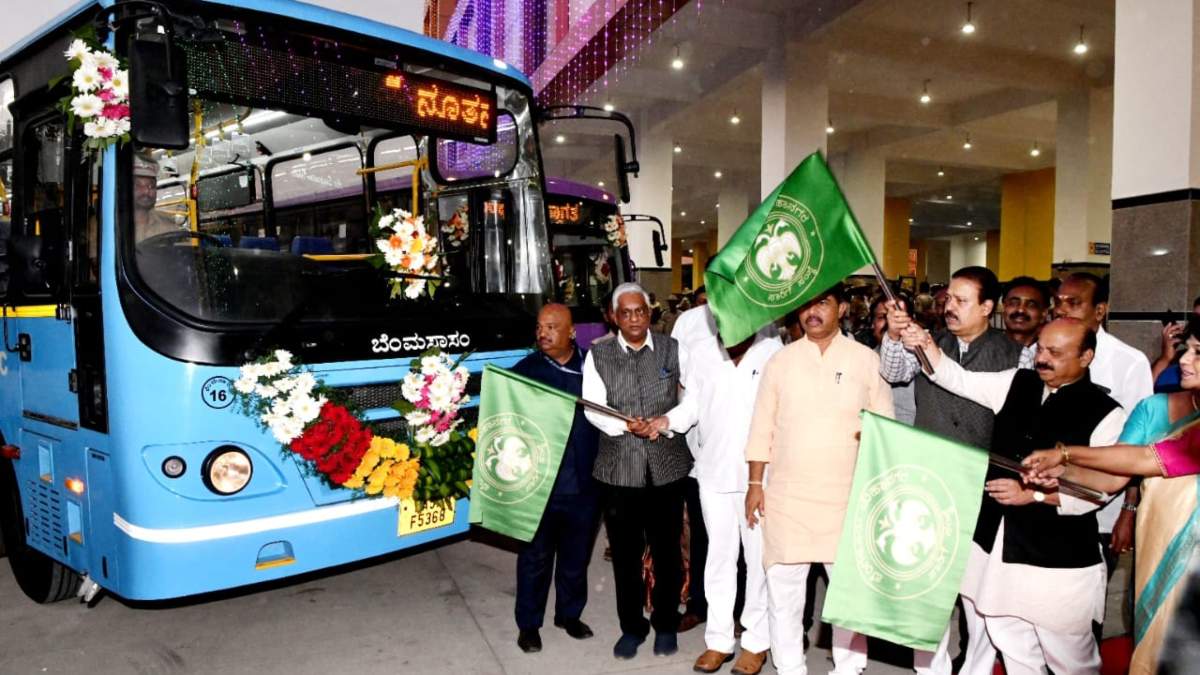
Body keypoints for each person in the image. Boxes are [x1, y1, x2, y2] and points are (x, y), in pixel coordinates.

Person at [902, 318, 1125, 674]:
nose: (1042, 358)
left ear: (1086, 356)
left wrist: (1033, 495)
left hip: (1057, 556)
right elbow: (957, 378)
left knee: (1068, 655)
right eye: (1040, 348)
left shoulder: (1108, 413)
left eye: (1055, 352)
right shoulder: (1017, 382)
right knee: (1009, 638)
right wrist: (924, 344)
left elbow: (1102, 487)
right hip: (996, 545)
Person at [1021, 316, 1200, 673]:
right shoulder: (1154, 409)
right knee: (1155, 645)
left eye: (1199, 352)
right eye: (1187, 349)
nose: (1184, 359)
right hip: (1158, 550)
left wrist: (1066, 453)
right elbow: (1110, 479)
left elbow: (1148, 458)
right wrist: (1053, 472)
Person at [744, 283, 894, 675]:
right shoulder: (782, 361)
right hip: (787, 497)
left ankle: (848, 668)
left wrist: (880, 493)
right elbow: (762, 426)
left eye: (822, 303)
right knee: (784, 594)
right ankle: (790, 667)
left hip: (847, 498)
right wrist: (755, 485)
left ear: (842, 309)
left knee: (847, 597)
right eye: (806, 305)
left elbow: (886, 430)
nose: (812, 312)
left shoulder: (866, 360)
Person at [881, 266, 1022, 675]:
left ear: (987, 307)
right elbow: (893, 372)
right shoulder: (928, 341)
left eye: (962, 301)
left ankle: (976, 668)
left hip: (984, 485)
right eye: (948, 300)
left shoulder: (1015, 353)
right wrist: (893, 334)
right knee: (927, 588)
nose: (949, 308)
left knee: (979, 593)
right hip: (930, 478)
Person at [582, 282, 693, 660]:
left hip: (667, 466)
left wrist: (666, 420)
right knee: (626, 557)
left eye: (640, 311)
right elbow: (593, 408)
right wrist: (625, 426)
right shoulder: (598, 357)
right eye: (625, 312)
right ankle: (632, 627)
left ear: (650, 313)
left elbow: (693, 399)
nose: (633, 319)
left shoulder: (672, 349)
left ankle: (665, 624)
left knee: (667, 553)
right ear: (613, 317)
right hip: (619, 471)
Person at [670, 308, 782, 675]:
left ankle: (754, 642)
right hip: (712, 473)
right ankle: (718, 640)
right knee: (718, 558)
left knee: (757, 563)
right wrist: (664, 422)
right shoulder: (702, 351)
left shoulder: (771, 349)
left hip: (758, 477)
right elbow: (692, 406)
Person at [510, 304, 601, 653]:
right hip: (541, 484)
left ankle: (569, 615)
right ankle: (529, 625)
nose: (543, 333)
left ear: (572, 332)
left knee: (577, 557)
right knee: (534, 559)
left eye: (552, 326)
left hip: (586, 482)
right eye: (539, 327)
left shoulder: (594, 367)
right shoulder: (524, 371)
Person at [1052, 273, 1153, 570]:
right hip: (1047, 498)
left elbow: (1137, 445)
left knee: (1086, 607)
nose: (1061, 309)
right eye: (1058, 302)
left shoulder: (1129, 362)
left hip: (1102, 510)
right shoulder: (1042, 351)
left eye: (1074, 303)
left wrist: (1128, 510)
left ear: (1099, 310)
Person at [670, 305, 718, 634]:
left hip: (744, 455)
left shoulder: (762, 322)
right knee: (701, 533)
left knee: (744, 540)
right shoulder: (689, 322)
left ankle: (742, 608)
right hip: (695, 449)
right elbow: (676, 381)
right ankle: (698, 604)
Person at [869, 294, 916, 424]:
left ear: (912, 322)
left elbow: (894, 373)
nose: (890, 322)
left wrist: (893, 336)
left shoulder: (918, 355)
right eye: (882, 317)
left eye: (898, 316)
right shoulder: (864, 358)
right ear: (872, 324)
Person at [1002, 276, 1049, 369]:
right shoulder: (985, 349)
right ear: (1004, 308)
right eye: (1014, 303)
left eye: (1031, 305)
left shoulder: (1051, 355)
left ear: (1043, 314)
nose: (1020, 310)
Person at [133, 152, 179, 240]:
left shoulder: (168, 226)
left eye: (151, 186)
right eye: (137, 185)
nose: (146, 191)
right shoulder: (113, 226)